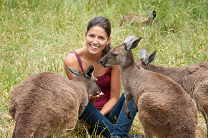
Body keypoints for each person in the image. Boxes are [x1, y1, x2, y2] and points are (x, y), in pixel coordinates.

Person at [64, 16, 143, 138]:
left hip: (109, 114)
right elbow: (80, 102)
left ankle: (117, 135)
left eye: (101, 38)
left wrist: (100, 120)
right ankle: (119, 135)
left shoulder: (113, 58)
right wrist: (93, 104)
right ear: (85, 35)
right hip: (86, 116)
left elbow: (114, 98)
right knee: (81, 101)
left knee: (135, 87)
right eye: (91, 36)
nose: (95, 42)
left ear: (108, 40)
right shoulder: (72, 60)